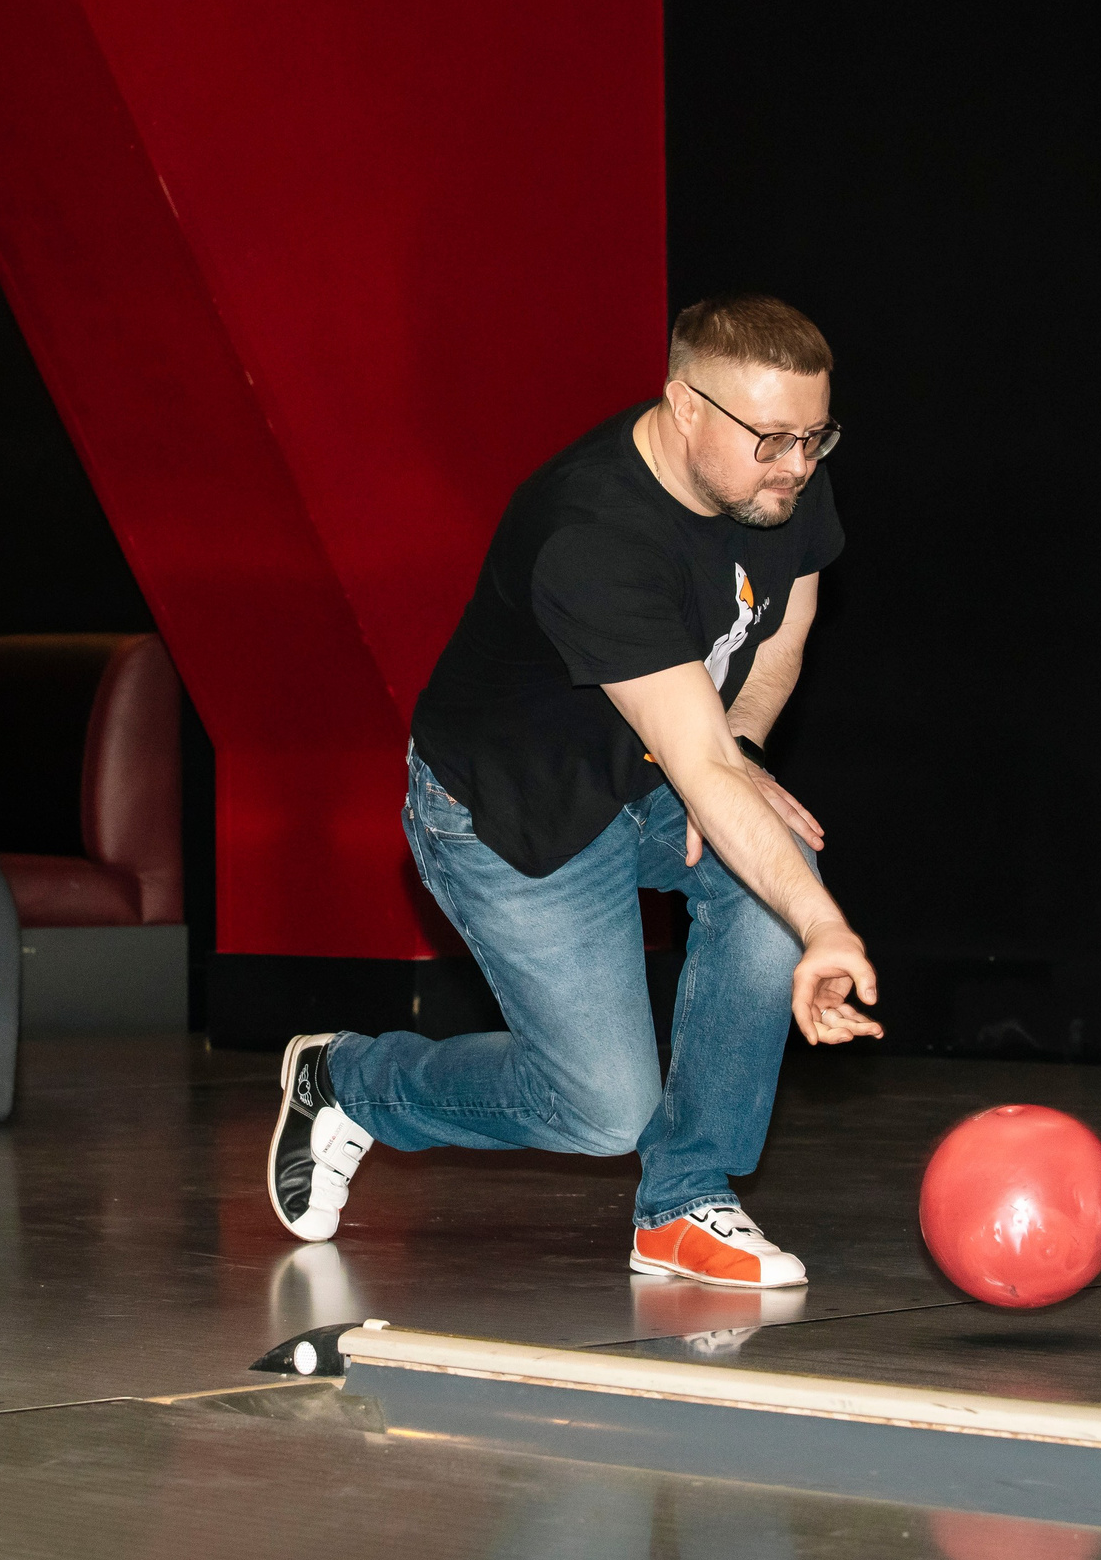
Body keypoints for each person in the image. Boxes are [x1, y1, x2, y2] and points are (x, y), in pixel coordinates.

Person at [266, 294, 882, 1288]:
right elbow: (706, 771)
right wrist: (828, 929)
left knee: (771, 873)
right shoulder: (589, 533)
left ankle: (684, 1205)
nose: (798, 467)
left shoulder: (775, 485)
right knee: (600, 1110)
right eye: (772, 439)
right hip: (509, 817)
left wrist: (740, 741)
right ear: (686, 406)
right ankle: (349, 1080)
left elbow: (781, 636)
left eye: (816, 437)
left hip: (647, 771)